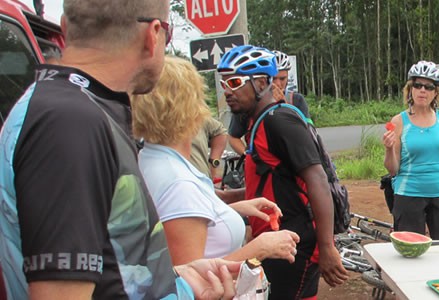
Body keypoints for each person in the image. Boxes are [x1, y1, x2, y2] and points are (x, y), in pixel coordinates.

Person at [0, 0, 238, 299]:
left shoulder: (73, 107)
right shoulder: (71, 122)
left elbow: (110, 270)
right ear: (153, 35)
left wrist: (178, 282)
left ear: (65, 27)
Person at [132, 56, 301, 266]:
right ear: (190, 108)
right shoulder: (178, 183)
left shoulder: (151, 159)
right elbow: (188, 280)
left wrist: (230, 210)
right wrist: (259, 248)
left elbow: (182, 223)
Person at [214, 45, 349, 299]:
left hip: (295, 242)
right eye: (224, 84)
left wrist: (327, 246)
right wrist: (230, 197)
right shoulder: (260, 120)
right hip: (278, 239)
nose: (227, 91)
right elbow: (274, 181)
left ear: (262, 82)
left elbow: (317, 179)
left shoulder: (278, 122)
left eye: (234, 82)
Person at [382, 61, 439, 239]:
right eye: (417, 85)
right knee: (411, 252)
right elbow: (393, 169)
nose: (422, 90)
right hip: (409, 193)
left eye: (428, 87)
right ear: (410, 89)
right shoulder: (399, 121)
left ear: (435, 92)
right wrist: (388, 148)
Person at [226, 49, 310, 154]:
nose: (278, 84)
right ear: (264, 80)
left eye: (282, 79)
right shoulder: (249, 103)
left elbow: (308, 134)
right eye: (274, 79)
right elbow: (233, 137)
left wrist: (284, 106)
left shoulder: (296, 100)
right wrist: (249, 157)